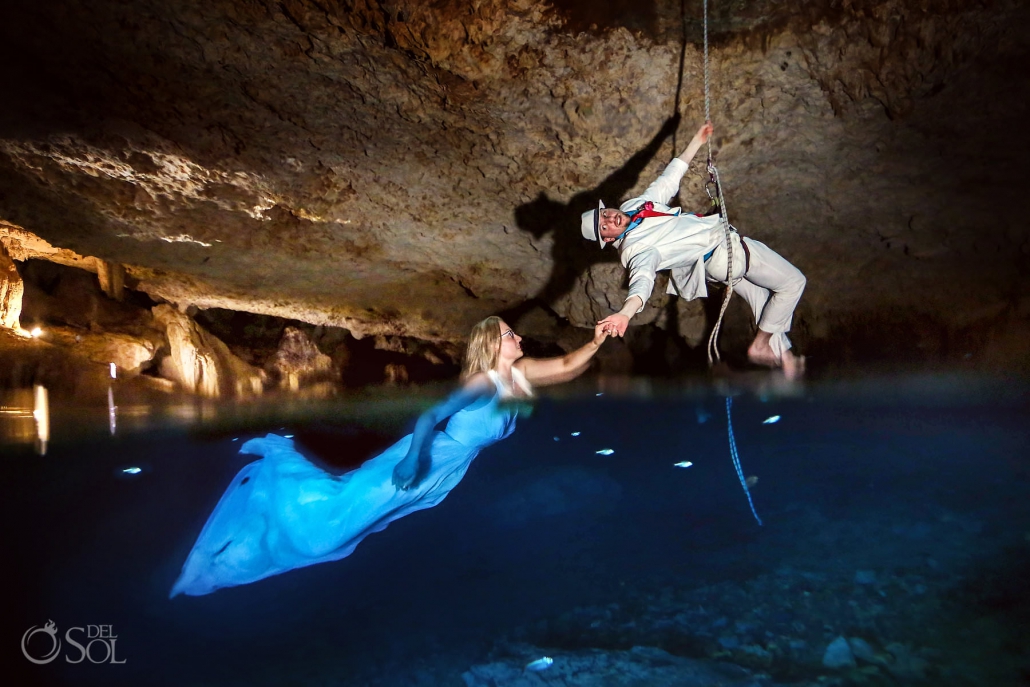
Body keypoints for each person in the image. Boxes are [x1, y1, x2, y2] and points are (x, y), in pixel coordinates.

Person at [170, 317, 609, 597]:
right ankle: (276, 458)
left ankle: (236, 553)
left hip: (450, 467)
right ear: (490, 344)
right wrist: (413, 460)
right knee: (328, 528)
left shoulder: (520, 373)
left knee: (350, 521)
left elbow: (569, 366)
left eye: (514, 333)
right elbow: (429, 417)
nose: (518, 337)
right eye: (508, 334)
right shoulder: (482, 382)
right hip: (429, 454)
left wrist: (598, 338)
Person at [580, 121, 806, 378]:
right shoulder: (635, 249)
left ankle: (784, 357)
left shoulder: (635, 205)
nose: (609, 220)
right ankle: (761, 345)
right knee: (793, 282)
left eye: (606, 214)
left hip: (715, 264)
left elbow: (668, 180)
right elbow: (641, 281)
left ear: (609, 208)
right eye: (605, 227)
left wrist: (697, 141)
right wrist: (625, 313)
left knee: (762, 300)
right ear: (608, 239)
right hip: (725, 251)